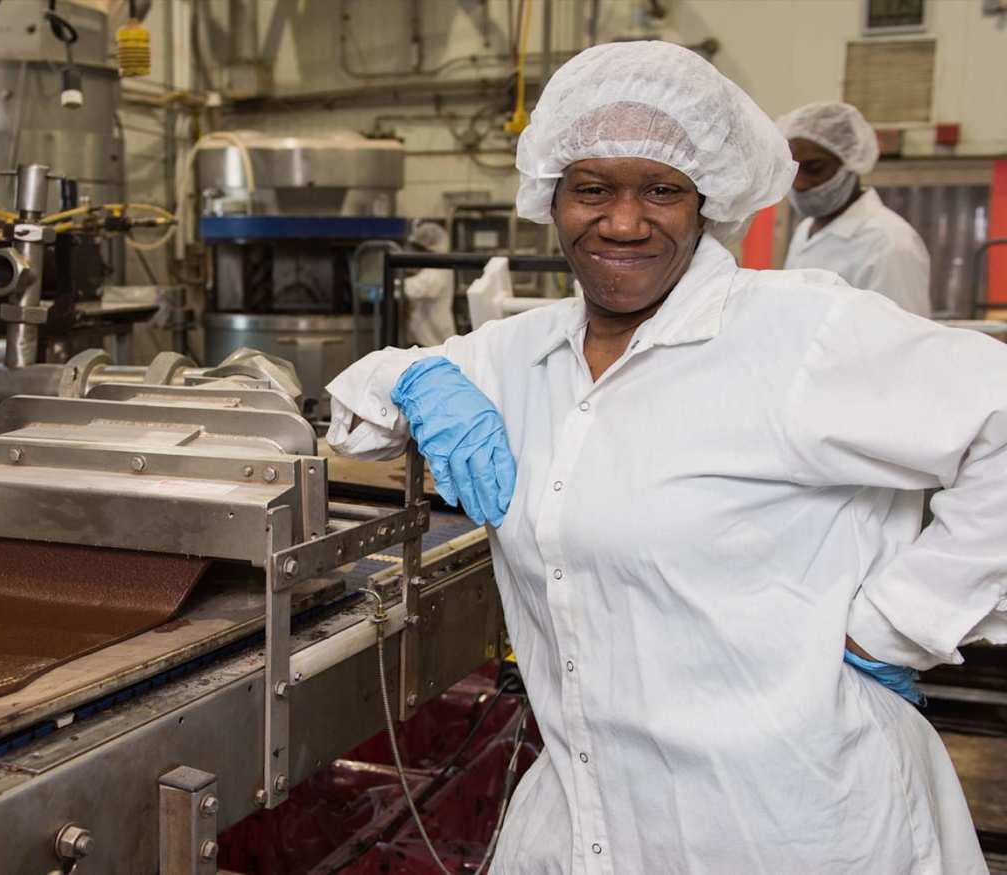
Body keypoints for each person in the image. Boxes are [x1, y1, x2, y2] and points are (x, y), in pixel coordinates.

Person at [327, 40, 1002, 874]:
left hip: (786, 821)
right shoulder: (522, 352)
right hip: (596, 811)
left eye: (661, 189)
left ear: (706, 200)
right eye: (592, 188)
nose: (622, 220)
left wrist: (902, 620)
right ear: (551, 198)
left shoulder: (794, 334)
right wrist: (414, 374)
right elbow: (352, 418)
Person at [778, 101, 933, 317]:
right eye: (793, 170)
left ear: (852, 162)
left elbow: (900, 339)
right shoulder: (806, 230)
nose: (800, 183)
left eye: (815, 168)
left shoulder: (888, 243)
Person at [401, 221, 458, 346]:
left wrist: (390, 285)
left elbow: (419, 288)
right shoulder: (430, 266)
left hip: (436, 339)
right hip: (424, 338)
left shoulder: (439, 267)